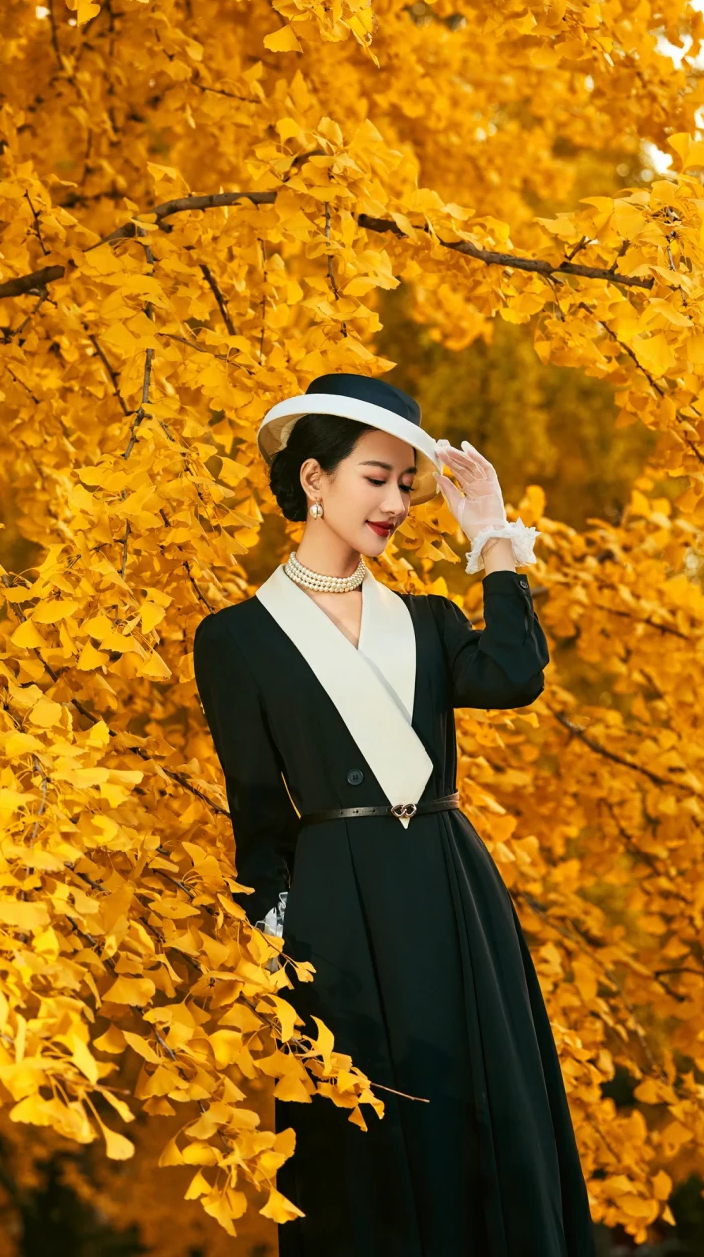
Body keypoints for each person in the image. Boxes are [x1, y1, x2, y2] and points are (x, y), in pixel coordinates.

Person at [192, 372, 597, 1256]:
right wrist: (273, 950)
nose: (396, 502)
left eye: (406, 484)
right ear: (313, 481)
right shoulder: (235, 638)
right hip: (335, 907)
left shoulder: (427, 619)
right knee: (366, 1141)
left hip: (451, 885)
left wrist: (490, 531)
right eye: (376, 477)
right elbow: (255, 812)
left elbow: (515, 675)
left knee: (485, 1110)